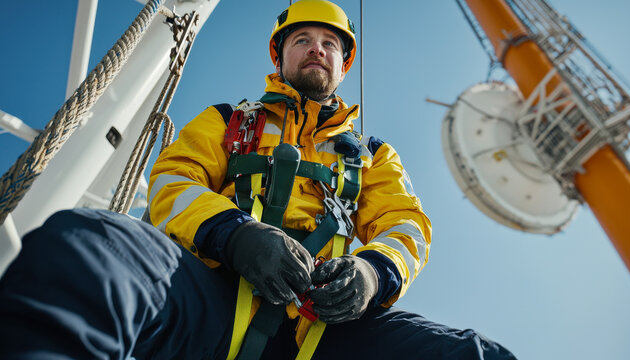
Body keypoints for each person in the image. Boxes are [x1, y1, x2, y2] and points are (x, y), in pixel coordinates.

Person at [0, 1, 516, 359]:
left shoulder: (373, 155)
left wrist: (372, 275)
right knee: (89, 248)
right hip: (209, 297)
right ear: (279, 55)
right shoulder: (228, 120)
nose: (316, 49)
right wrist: (235, 235)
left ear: (344, 61)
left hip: (324, 332)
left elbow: (406, 225)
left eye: (329, 43)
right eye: (302, 39)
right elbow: (171, 184)